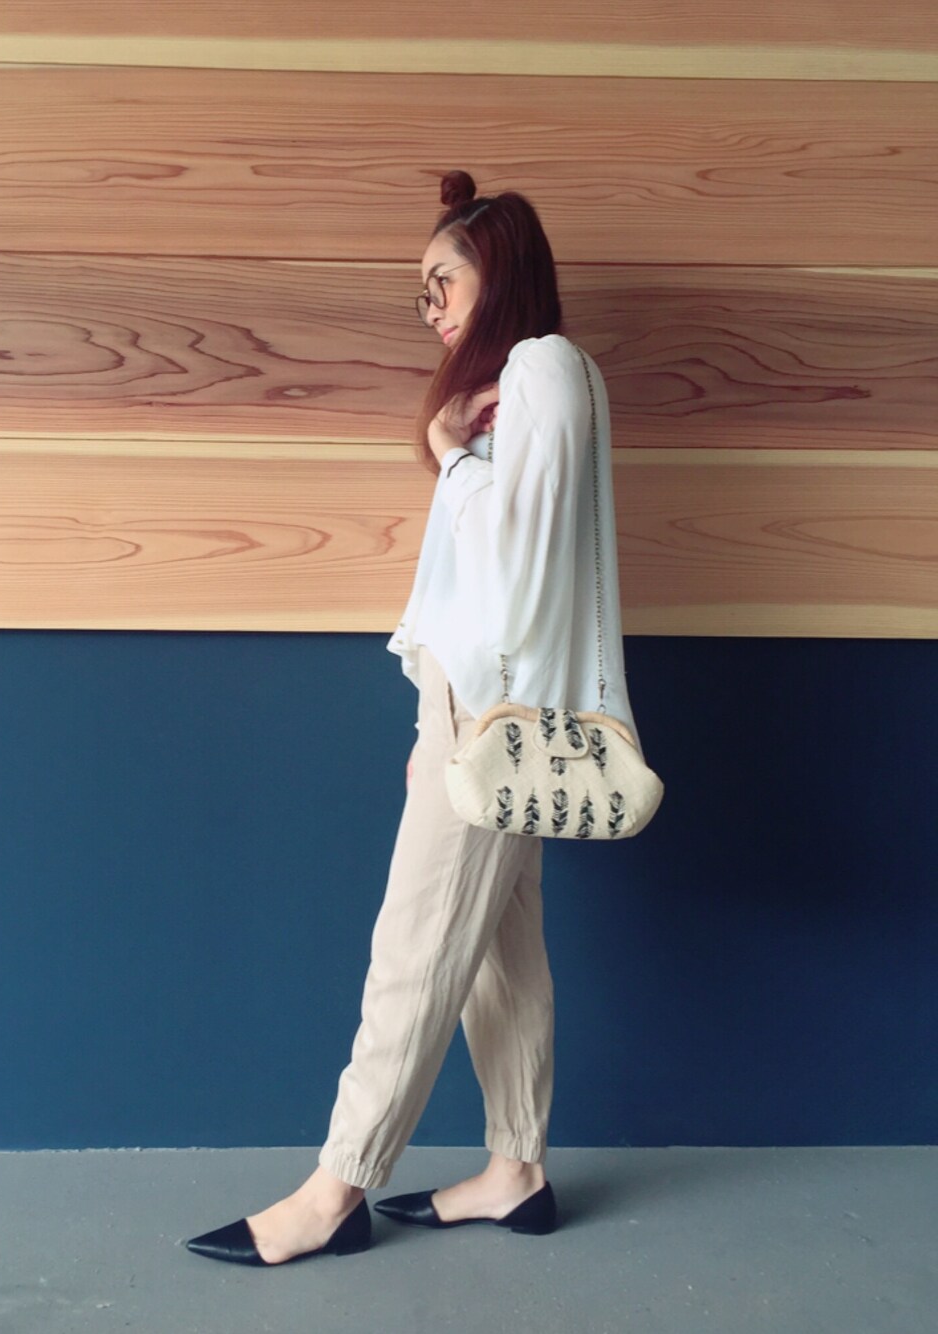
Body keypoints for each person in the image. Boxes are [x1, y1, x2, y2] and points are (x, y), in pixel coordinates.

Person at [185, 169, 642, 1268]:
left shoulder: (540, 367)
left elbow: (518, 563)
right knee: (497, 956)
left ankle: (336, 1188)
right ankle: (516, 1169)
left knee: (415, 948)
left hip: (491, 711)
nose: (430, 305)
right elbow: (485, 584)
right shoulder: (533, 380)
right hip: (478, 714)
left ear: (501, 268)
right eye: (421, 290)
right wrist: (428, 727)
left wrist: (448, 455)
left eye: (444, 280)